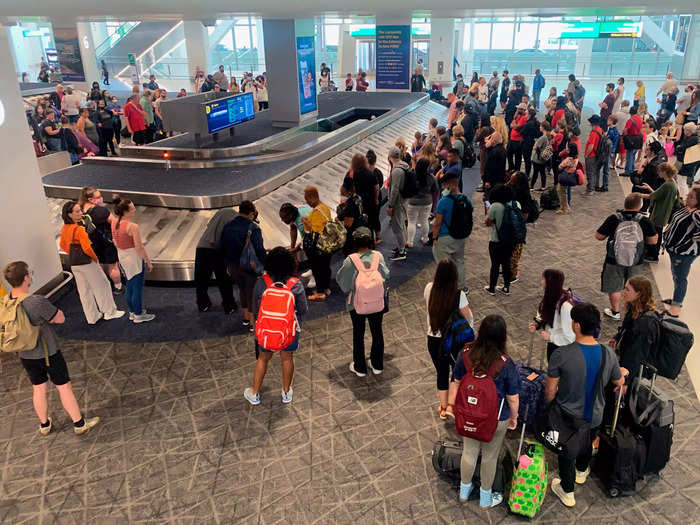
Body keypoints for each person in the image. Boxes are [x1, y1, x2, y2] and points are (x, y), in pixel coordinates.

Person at [2, 262, 101, 435]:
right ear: (26, 277)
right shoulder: (35, 302)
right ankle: (79, 424)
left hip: (25, 354)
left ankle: (44, 424)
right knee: (64, 387)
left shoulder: (5, 302)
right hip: (48, 352)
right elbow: (59, 318)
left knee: (38, 388)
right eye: (29, 272)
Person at [547, 303, 623, 508]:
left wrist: (548, 407)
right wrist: (622, 376)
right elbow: (618, 381)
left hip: (568, 417)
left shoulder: (561, 355)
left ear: (576, 326)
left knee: (567, 451)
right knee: (588, 440)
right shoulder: (609, 353)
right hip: (595, 414)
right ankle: (582, 471)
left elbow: (550, 390)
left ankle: (567, 490)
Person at [449, 314, 519, 508]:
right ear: (502, 336)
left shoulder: (466, 353)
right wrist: (514, 418)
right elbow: (513, 397)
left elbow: (455, 382)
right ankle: (485, 497)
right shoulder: (506, 363)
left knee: (469, 452)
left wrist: (452, 408)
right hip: (496, 419)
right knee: (490, 456)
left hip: (468, 415)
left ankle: (464, 491)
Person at [244, 247, 308, 405]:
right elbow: (303, 309)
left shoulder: (261, 282)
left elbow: (255, 308)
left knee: (263, 359)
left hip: (266, 328)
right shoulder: (296, 284)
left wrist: (256, 326)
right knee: (287, 358)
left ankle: (254, 393)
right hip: (289, 329)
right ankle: (286, 392)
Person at [595, 193, 658, 321]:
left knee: (614, 285)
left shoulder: (614, 218)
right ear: (640, 206)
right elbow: (653, 241)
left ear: (625, 204)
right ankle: (633, 312)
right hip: (636, 260)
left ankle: (615, 312)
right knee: (635, 286)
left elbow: (598, 236)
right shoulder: (644, 221)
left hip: (614, 259)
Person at [336, 227, 389, 377]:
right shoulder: (378, 256)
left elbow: (344, 285)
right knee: (377, 331)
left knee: (358, 334)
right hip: (377, 301)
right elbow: (386, 274)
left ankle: (360, 367)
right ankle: (377, 365)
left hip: (356, 304)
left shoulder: (350, 260)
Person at [60, 200, 124, 324]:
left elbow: (63, 245)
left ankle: (92, 317)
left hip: (74, 264)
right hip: (87, 263)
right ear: (70, 215)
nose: (81, 213)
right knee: (103, 284)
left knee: (84, 291)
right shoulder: (79, 229)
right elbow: (87, 248)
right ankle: (109, 312)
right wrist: (95, 258)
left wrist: (73, 253)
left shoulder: (65, 229)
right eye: (77, 211)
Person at [425, 260, 473, 419]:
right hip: (454, 342)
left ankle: (443, 407)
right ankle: (452, 406)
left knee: (441, 372)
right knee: (457, 372)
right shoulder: (459, 294)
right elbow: (467, 319)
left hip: (433, 339)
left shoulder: (429, 288)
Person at [220, 200, 266, 329]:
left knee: (242, 290)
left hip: (233, 266)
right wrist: (264, 264)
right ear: (251, 213)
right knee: (251, 292)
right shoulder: (253, 228)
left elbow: (222, 246)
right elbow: (259, 249)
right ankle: (253, 322)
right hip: (249, 266)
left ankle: (246, 318)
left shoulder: (228, 226)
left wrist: (227, 265)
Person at [111, 198, 155, 323]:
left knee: (129, 285)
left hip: (122, 256)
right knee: (137, 287)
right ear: (125, 211)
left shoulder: (114, 222)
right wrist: (148, 261)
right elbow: (139, 247)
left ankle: (132, 311)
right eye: (132, 209)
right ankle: (138, 314)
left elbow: (114, 240)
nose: (134, 210)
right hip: (133, 257)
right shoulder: (132, 226)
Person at [662, 186, 700, 316]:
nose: (688, 197)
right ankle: (676, 299)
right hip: (674, 250)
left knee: (680, 278)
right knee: (676, 275)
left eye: (691, 197)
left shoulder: (697, 214)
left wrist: (694, 238)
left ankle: (676, 306)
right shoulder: (687, 208)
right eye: (689, 194)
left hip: (684, 253)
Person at [78, 187, 122, 294]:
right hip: (107, 242)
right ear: (90, 199)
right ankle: (118, 287)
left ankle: (104, 286)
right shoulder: (100, 211)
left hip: (92, 242)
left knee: (100, 264)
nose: (101, 199)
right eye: (98, 197)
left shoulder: (79, 211)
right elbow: (115, 223)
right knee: (113, 266)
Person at [432, 169, 471, 291]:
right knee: (459, 261)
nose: (443, 187)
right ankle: (461, 287)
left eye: (444, 185)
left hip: (444, 237)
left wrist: (434, 237)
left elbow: (437, 223)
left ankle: (446, 289)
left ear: (449, 185)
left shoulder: (443, 202)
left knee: (443, 264)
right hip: (461, 235)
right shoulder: (466, 199)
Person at [194, 207, 238, 314]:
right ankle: (229, 305)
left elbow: (209, 225)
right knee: (223, 279)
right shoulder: (235, 218)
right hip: (217, 249)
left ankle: (203, 304)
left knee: (201, 280)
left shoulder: (221, 212)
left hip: (202, 246)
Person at [529, 269, 577, 361]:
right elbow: (545, 313)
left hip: (561, 349)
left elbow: (570, 337)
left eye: (543, 279)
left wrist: (550, 337)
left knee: (555, 373)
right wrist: (537, 324)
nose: (541, 281)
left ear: (550, 282)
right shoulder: (551, 296)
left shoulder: (565, 307)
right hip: (553, 343)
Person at [639, 162, 680, 262]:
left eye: (659, 171)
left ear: (665, 172)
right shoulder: (672, 183)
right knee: (657, 233)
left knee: (655, 234)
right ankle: (652, 254)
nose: (658, 173)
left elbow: (653, 196)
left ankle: (653, 255)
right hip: (663, 213)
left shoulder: (667, 184)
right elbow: (658, 194)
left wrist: (637, 195)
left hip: (659, 213)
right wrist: (649, 188)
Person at [484, 184, 518, 295]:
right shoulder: (515, 204)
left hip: (496, 240)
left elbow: (488, 223)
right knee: (506, 263)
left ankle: (492, 288)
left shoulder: (495, 206)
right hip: (511, 240)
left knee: (495, 264)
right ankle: (506, 287)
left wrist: (488, 209)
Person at [302, 186, 333, 300]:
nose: (307, 202)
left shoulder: (316, 212)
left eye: (307, 199)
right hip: (327, 244)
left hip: (318, 246)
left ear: (312, 197)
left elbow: (315, 230)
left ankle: (320, 293)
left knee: (317, 268)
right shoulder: (325, 208)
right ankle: (326, 288)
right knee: (326, 267)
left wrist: (306, 223)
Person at [406, 158, 437, 249]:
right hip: (427, 202)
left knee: (411, 222)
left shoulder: (412, 175)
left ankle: (410, 242)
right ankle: (425, 238)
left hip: (413, 202)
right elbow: (435, 190)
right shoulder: (431, 177)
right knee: (424, 220)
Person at [387, 147, 409, 261]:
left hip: (397, 202)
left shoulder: (396, 171)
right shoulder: (404, 165)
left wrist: (390, 205)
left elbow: (394, 190)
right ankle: (403, 245)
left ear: (390, 157)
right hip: (404, 200)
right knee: (402, 224)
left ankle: (402, 252)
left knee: (397, 227)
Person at [365, 149, 384, 243]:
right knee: (376, 217)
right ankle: (378, 236)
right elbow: (380, 186)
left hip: (369, 199)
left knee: (368, 219)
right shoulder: (379, 172)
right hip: (377, 198)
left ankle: (370, 238)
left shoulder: (365, 173)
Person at [583, 115, 603, 195]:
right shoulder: (599, 129)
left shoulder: (594, 133)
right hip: (596, 154)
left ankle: (590, 189)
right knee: (593, 171)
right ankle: (593, 186)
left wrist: (586, 155)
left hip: (591, 155)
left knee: (589, 172)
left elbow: (591, 145)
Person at [483, 131, 507, 198]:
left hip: (492, 180)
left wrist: (487, 180)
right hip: (500, 178)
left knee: (487, 198)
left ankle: (489, 208)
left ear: (493, 140)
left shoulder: (494, 152)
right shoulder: (502, 149)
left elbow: (489, 167)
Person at [531, 121, 552, 190]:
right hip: (544, 158)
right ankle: (543, 187)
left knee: (535, 173)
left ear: (543, 128)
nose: (539, 127)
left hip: (538, 158)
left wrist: (535, 144)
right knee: (543, 173)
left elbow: (535, 147)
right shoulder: (548, 137)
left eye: (540, 126)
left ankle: (531, 186)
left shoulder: (543, 138)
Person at [622, 105, 643, 174]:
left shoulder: (630, 120)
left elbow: (625, 130)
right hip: (637, 139)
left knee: (629, 156)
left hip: (631, 139)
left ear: (630, 112)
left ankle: (628, 171)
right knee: (633, 155)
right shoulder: (640, 119)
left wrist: (625, 137)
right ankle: (632, 169)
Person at [507, 104, 528, 172]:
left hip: (518, 140)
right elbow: (511, 125)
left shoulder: (524, 118)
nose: (518, 110)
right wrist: (514, 124)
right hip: (512, 138)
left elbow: (516, 127)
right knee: (508, 154)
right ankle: (511, 167)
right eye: (518, 109)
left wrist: (514, 125)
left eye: (519, 109)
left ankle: (516, 170)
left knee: (517, 157)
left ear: (523, 110)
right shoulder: (517, 116)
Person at [521, 108, 540, 178]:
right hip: (532, 141)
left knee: (527, 160)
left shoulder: (528, 124)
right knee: (528, 159)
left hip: (526, 142)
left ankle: (527, 174)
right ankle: (528, 174)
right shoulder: (536, 122)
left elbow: (522, 132)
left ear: (529, 115)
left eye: (526, 113)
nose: (525, 114)